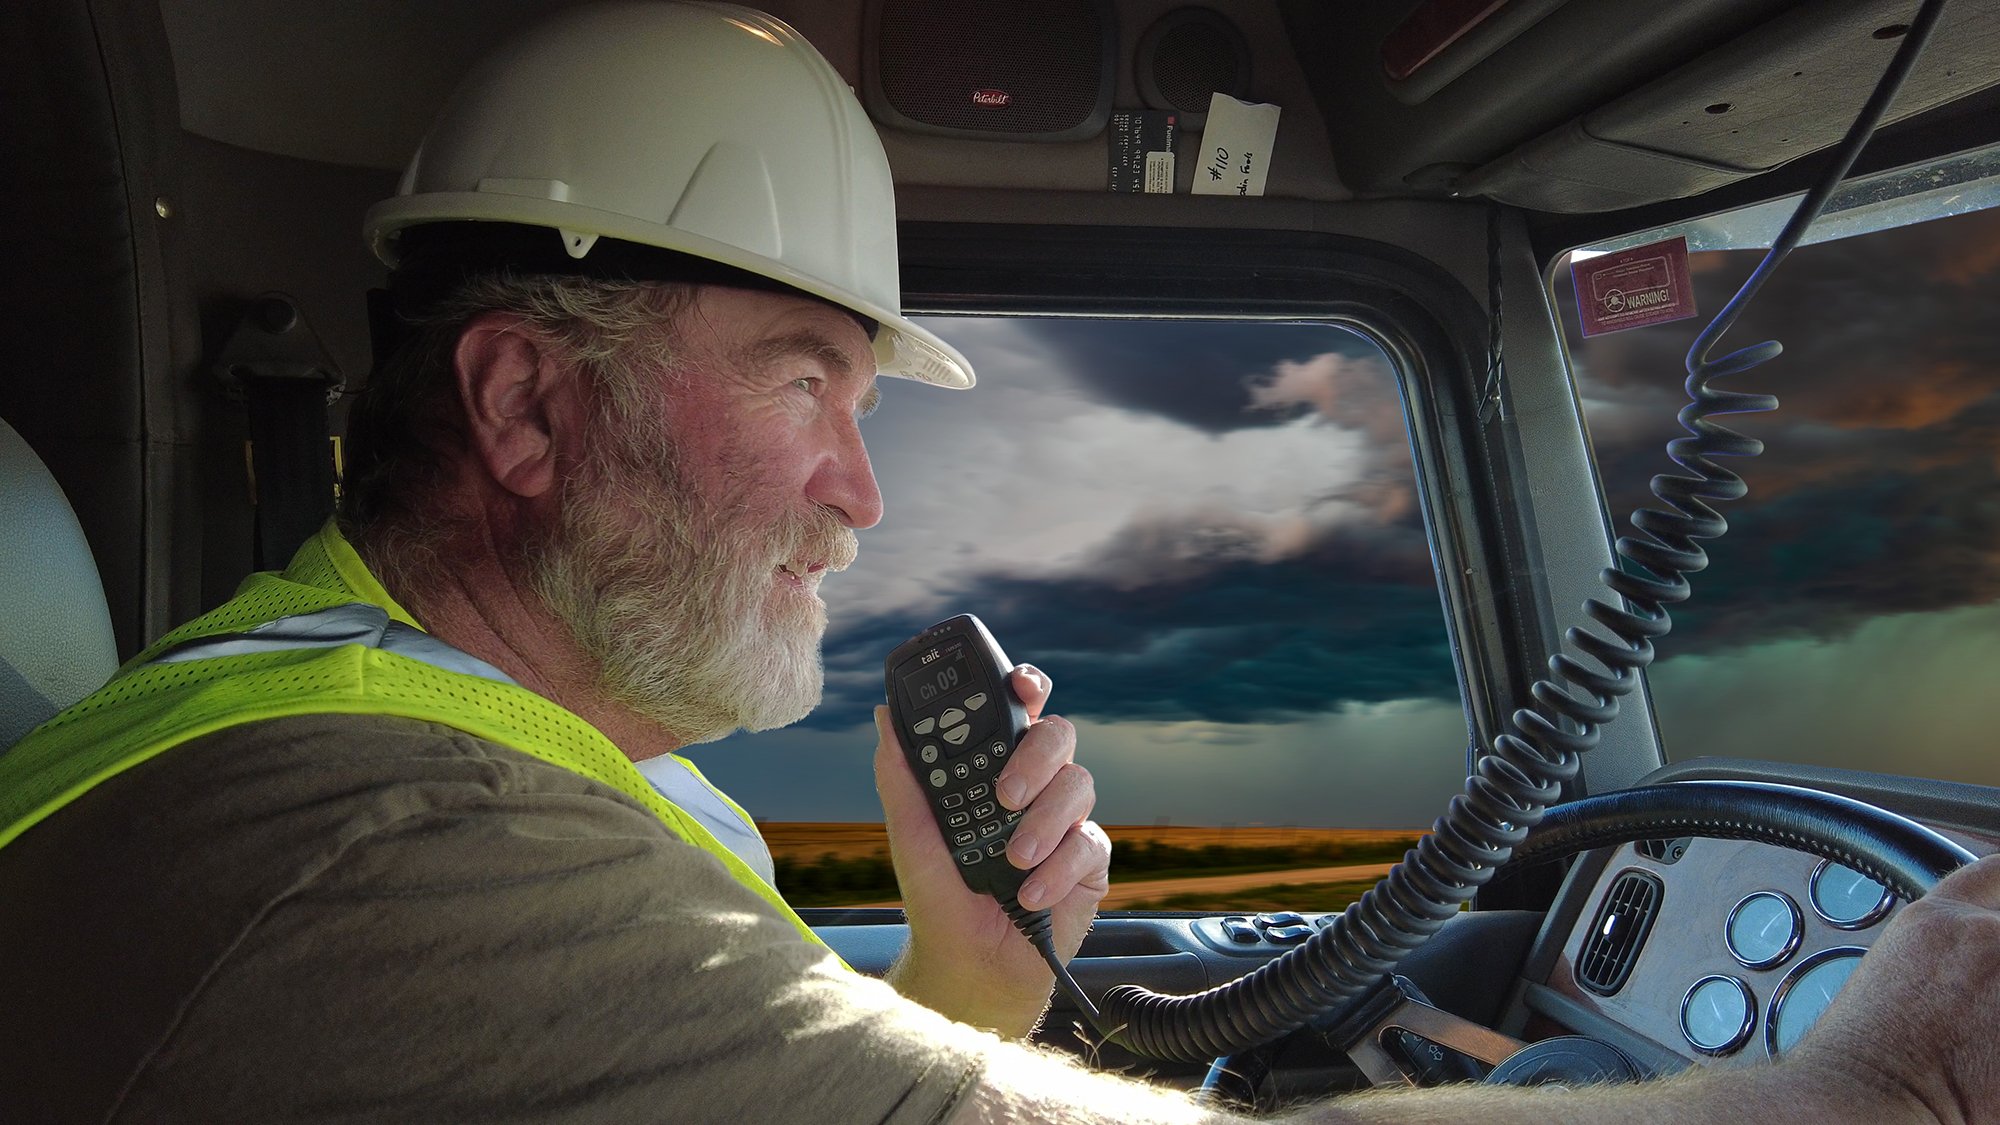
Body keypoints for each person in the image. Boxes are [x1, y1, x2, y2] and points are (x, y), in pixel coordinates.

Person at [1, 4, 1997, 1123]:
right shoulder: (364, 841)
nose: (866, 497)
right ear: (524, 411)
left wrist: (960, 961)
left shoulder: (499, 758)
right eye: (807, 383)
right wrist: (1863, 1087)